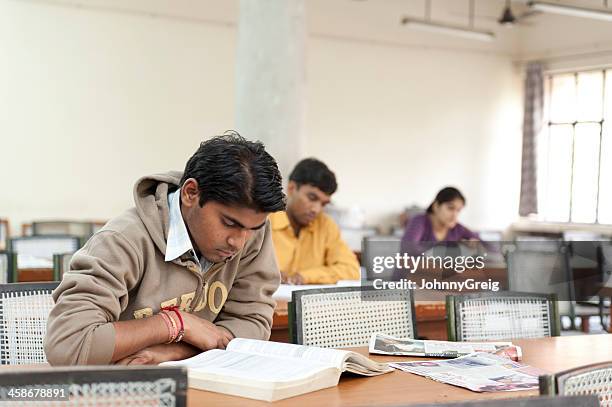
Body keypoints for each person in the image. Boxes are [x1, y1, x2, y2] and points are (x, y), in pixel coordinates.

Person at [44, 132, 286, 366]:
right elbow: (69, 345)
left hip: (200, 386)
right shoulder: (122, 241)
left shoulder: (251, 234)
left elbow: (252, 323)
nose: (239, 242)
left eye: (252, 228)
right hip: (118, 391)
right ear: (191, 193)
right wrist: (174, 323)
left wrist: (176, 351)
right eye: (229, 223)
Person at [269, 158, 359, 285]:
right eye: (312, 198)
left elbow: (351, 270)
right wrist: (267, 273)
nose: (316, 209)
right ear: (291, 188)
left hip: (309, 304)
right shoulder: (264, 221)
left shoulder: (326, 225)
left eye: (323, 203)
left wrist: (305, 276)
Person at [401, 186, 479, 246]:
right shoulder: (419, 221)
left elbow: (481, 241)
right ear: (436, 206)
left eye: (458, 210)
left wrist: (474, 243)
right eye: (450, 208)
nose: (455, 215)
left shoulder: (456, 228)